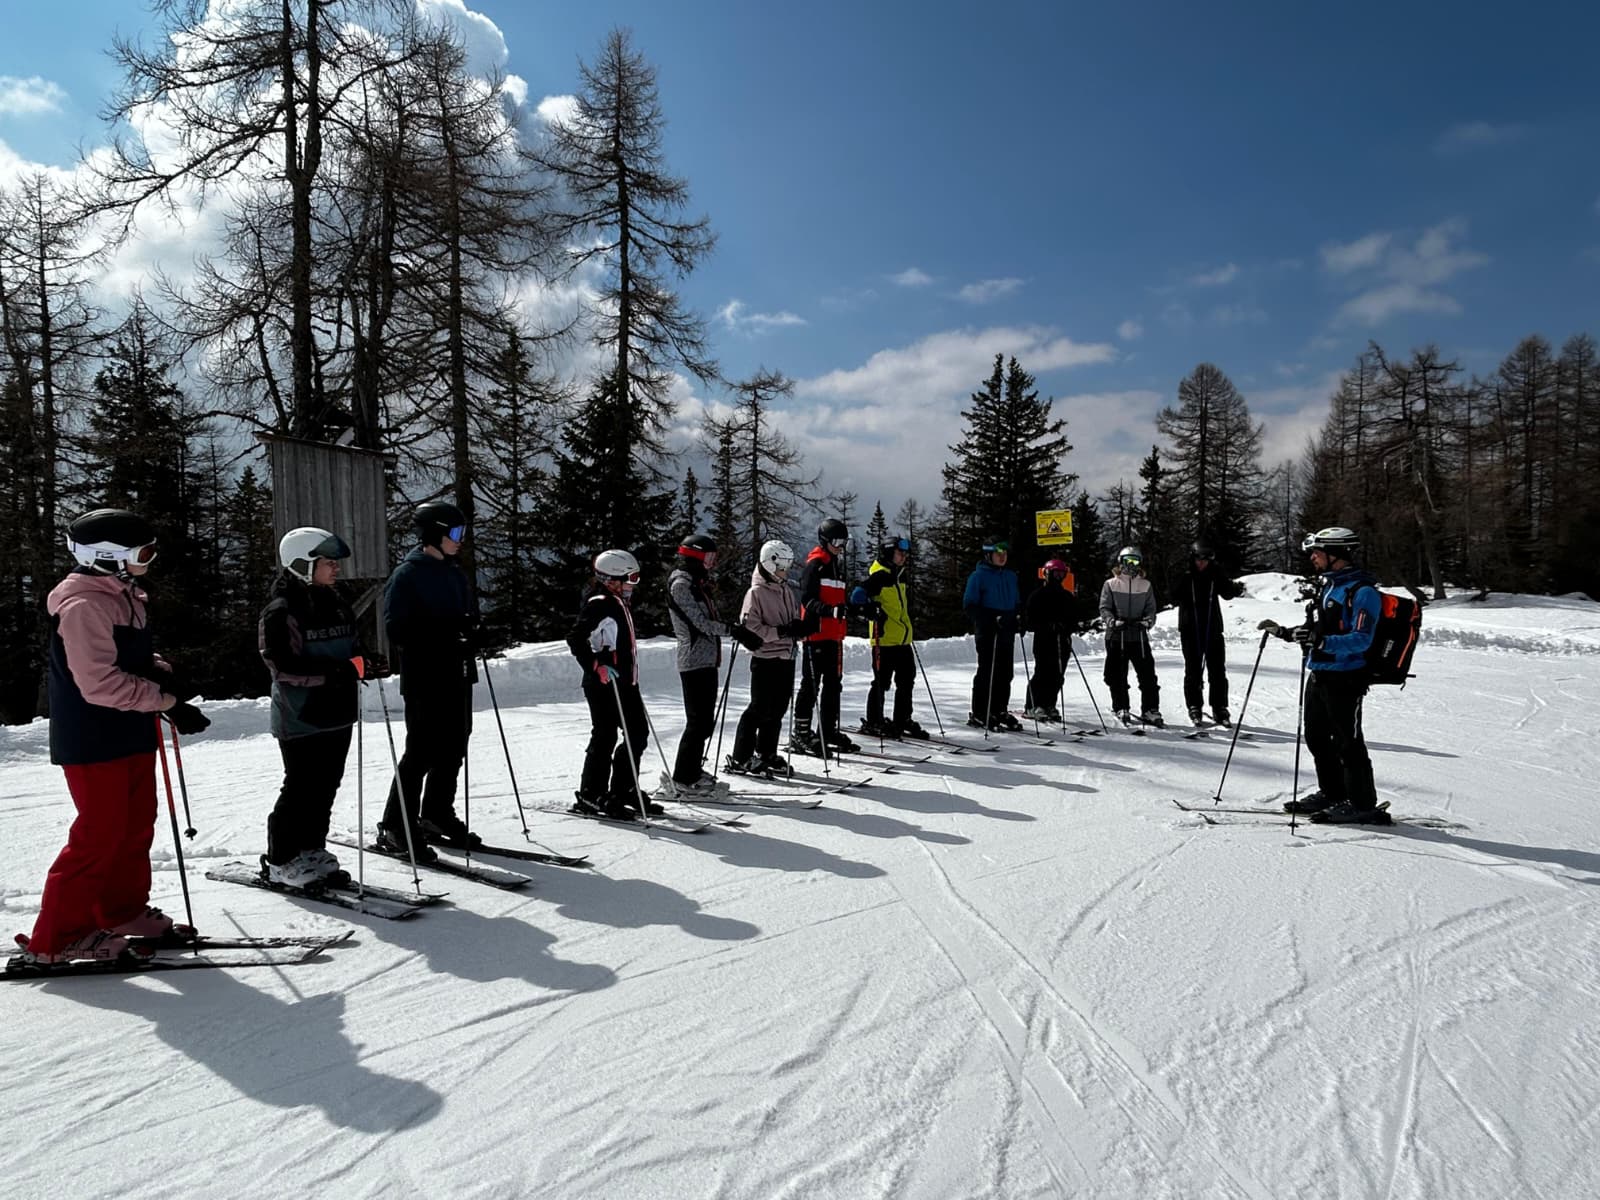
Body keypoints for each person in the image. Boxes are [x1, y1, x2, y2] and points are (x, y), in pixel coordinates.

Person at [19, 509, 210, 966]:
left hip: (129, 728)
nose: (151, 559)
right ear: (108, 558)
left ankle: (120, 912)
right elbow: (98, 683)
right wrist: (166, 702)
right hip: (93, 736)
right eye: (144, 553)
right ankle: (57, 939)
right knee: (98, 836)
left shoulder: (124, 594)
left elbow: (123, 655)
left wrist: (157, 669)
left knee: (135, 826)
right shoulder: (83, 604)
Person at [259, 527, 385, 888]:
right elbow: (284, 668)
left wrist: (367, 662)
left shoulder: (337, 603)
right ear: (303, 564)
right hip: (301, 716)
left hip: (338, 712)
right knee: (301, 788)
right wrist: (343, 671)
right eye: (329, 562)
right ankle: (281, 859)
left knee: (327, 786)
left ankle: (311, 848)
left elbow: (352, 650)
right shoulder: (282, 612)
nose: (337, 569)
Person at [1259, 526, 1384, 823]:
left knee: (1348, 741)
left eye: (1317, 552)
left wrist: (1323, 642)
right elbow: (1319, 630)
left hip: (1346, 677)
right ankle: (1333, 793)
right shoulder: (1329, 586)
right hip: (1320, 672)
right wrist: (1286, 633)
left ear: (1336, 554)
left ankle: (1362, 803)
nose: (1312, 557)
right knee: (1316, 737)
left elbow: (1362, 638)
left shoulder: (1363, 592)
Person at [377, 501, 480, 862]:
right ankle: (395, 825)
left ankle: (435, 813)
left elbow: (464, 617)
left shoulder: (453, 572)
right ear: (434, 533)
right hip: (425, 677)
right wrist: (449, 634)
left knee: (454, 745)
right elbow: (397, 629)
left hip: (457, 674)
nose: (460, 540)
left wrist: (471, 632)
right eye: (455, 533)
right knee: (420, 751)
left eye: (463, 533)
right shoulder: (408, 575)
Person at [567, 549, 658, 819]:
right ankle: (590, 793)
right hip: (602, 684)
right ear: (611, 579)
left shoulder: (618, 602)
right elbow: (575, 638)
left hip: (626, 682)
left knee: (637, 734)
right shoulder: (599, 603)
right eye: (631, 578)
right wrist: (596, 665)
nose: (633, 583)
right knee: (605, 735)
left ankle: (623, 789)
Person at [664, 533, 750, 795]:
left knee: (705, 722)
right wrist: (732, 630)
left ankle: (691, 770)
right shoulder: (681, 585)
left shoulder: (697, 583)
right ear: (695, 557)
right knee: (697, 722)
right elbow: (699, 624)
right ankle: (682, 777)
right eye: (709, 558)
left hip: (708, 660)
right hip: (693, 661)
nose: (712, 563)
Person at [726, 540, 814, 775]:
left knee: (778, 708)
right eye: (782, 568)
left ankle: (767, 752)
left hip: (786, 656)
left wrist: (799, 628)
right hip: (765, 658)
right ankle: (740, 756)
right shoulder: (755, 593)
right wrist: (782, 632)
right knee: (759, 707)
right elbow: (752, 628)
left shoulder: (785, 590)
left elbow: (791, 619)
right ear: (769, 565)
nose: (785, 573)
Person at [791, 518, 858, 756]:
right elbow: (806, 600)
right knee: (810, 686)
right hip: (816, 634)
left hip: (834, 635)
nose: (842, 546)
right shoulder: (815, 565)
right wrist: (830, 611)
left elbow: (837, 599)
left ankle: (827, 730)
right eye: (838, 541)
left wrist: (851, 609)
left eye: (845, 542)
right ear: (825, 540)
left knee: (833, 686)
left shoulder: (836, 565)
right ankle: (800, 732)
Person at [856, 535, 928, 740]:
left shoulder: (897, 575)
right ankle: (874, 720)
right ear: (888, 552)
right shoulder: (879, 576)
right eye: (900, 552)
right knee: (882, 682)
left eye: (905, 553)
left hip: (902, 639)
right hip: (884, 640)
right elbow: (857, 596)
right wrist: (871, 610)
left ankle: (902, 719)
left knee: (907, 681)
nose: (904, 556)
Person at [1169, 539, 1245, 727]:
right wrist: (1182, 577)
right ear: (1192, 558)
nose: (1202, 563)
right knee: (1193, 670)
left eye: (1206, 559)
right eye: (1198, 559)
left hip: (1212, 628)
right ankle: (1194, 705)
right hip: (1190, 629)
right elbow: (1173, 596)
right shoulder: (1185, 573)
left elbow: (1227, 593)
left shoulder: (1214, 573)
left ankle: (1219, 706)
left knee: (1217, 670)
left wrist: (1229, 582)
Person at [963, 538, 1022, 731]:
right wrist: (990, 619)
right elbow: (969, 605)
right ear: (989, 555)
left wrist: (1018, 618)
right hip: (988, 631)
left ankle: (999, 709)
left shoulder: (1011, 576)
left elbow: (1016, 602)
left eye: (1005, 554)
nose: (1002, 557)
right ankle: (981, 712)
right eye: (998, 554)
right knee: (987, 671)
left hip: (1006, 630)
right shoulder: (978, 576)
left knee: (1005, 673)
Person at [1100, 546, 1162, 726]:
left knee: (1147, 674)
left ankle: (1150, 708)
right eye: (1128, 561)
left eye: (1135, 561)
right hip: (1117, 635)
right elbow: (1104, 607)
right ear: (1121, 562)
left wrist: (1148, 621)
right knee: (1117, 674)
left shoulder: (1145, 584)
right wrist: (1112, 621)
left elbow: (1151, 608)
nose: (1131, 566)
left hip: (1138, 635)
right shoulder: (1111, 584)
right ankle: (1121, 705)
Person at [1022, 557, 1077, 723]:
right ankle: (1033, 705)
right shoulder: (1038, 595)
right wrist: (1047, 626)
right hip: (1044, 640)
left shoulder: (1067, 596)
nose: (1058, 577)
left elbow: (1074, 618)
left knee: (1058, 674)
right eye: (1055, 573)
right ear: (1046, 574)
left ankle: (1049, 704)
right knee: (1042, 673)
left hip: (1063, 641)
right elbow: (1030, 620)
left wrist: (1065, 626)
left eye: (1062, 574)